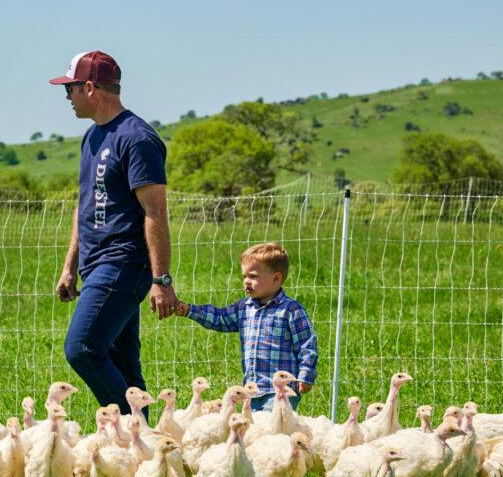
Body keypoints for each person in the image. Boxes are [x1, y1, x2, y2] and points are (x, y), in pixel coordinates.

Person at [50, 50, 176, 420]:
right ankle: (143, 455)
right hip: (96, 265)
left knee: (83, 347)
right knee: (123, 363)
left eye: (70, 89)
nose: (67, 98)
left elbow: (155, 211)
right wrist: (70, 266)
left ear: (89, 87)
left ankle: (125, 429)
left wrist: (161, 280)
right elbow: (85, 203)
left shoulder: (137, 139)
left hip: (124, 263)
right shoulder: (92, 137)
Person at [173, 242, 318, 411]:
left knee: (273, 433)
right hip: (251, 390)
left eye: (253, 276)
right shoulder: (244, 308)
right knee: (252, 433)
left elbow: (307, 344)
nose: (246, 282)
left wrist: (305, 375)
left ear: (276, 278)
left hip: (280, 392)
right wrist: (190, 310)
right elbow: (220, 317)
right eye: (244, 276)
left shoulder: (291, 310)